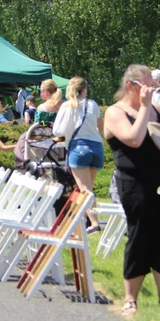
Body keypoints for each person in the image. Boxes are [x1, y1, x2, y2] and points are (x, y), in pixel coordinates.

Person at [104, 65, 160, 317]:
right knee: (139, 236)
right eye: (147, 85)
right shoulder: (115, 112)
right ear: (131, 86)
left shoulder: (157, 109)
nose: (152, 90)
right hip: (134, 183)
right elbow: (134, 139)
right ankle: (130, 299)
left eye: (153, 85)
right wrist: (146, 108)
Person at [54, 76, 105, 232]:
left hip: (78, 148)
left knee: (84, 190)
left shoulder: (66, 106)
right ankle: (80, 220)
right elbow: (101, 127)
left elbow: (57, 131)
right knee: (85, 187)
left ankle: (94, 223)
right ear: (84, 90)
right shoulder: (93, 104)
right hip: (97, 148)